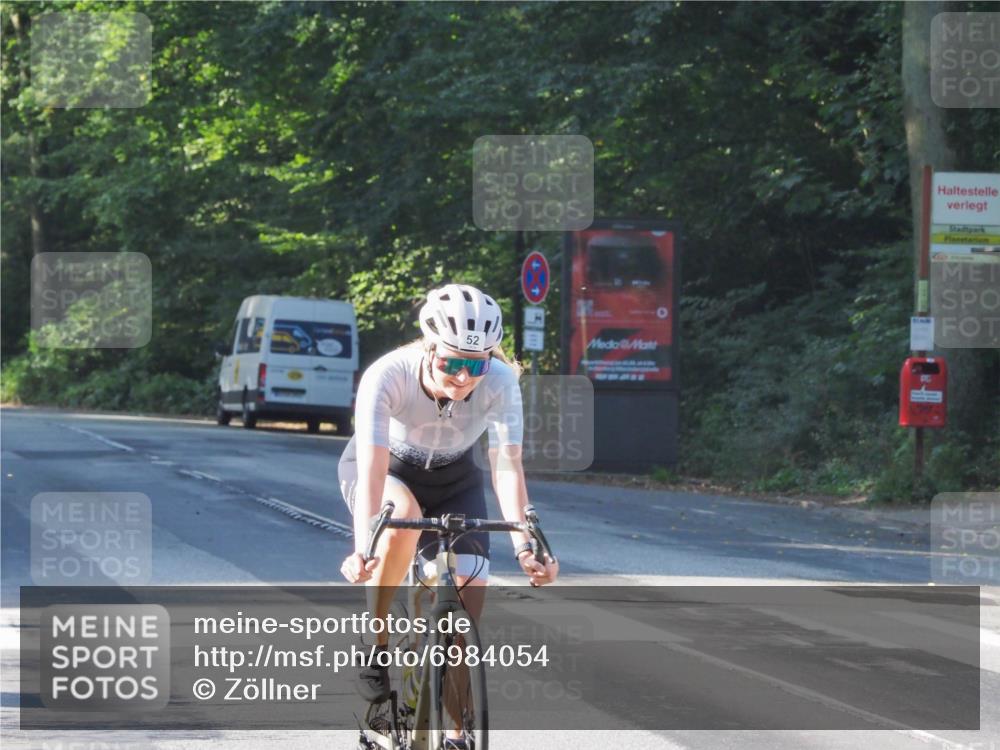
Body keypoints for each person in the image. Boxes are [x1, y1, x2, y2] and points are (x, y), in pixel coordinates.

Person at [338, 283, 559, 707]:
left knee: (466, 607)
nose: (462, 376)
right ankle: (375, 641)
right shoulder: (388, 375)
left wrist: (525, 547)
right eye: (451, 362)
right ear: (429, 348)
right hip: (389, 471)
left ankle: (457, 728)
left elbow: (507, 465)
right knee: (401, 520)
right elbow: (372, 469)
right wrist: (363, 548)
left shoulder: (501, 382)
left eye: (475, 365)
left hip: (455, 479)